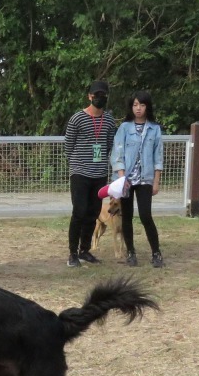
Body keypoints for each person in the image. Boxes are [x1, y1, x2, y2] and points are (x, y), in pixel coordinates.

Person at [64, 80, 117, 267]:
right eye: (96, 95)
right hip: (80, 172)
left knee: (93, 212)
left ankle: (84, 250)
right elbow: (69, 145)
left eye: (103, 95)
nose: (100, 98)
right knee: (79, 212)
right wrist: (76, 164)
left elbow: (109, 144)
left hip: (99, 173)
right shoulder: (77, 118)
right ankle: (72, 253)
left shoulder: (109, 120)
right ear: (89, 96)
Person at [110, 91, 164, 268]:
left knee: (145, 215)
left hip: (145, 179)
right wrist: (121, 179)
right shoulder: (125, 128)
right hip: (126, 179)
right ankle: (131, 253)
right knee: (126, 216)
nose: (138, 108)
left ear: (147, 107)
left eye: (141, 105)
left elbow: (158, 157)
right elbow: (117, 154)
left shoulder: (154, 129)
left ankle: (156, 253)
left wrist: (156, 181)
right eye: (135, 105)